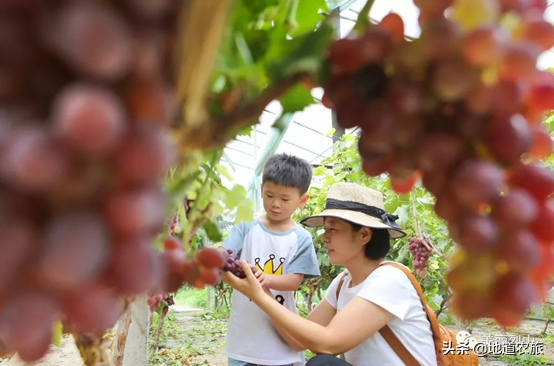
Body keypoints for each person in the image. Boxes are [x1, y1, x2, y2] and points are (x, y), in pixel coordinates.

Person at [222, 182, 438, 366]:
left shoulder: (390, 279)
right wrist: (262, 290)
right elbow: (298, 342)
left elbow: (328, 343)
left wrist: (259, 295)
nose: (324, 238)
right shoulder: (343, 282)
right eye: (325, 230)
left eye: (332, 229)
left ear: (364, 234)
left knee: (322, 364)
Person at [219, 153, 321, 366]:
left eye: (285, 199)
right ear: (261, 189)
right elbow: (225, 253)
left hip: (281, 342)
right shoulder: (246, 225)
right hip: (243, 340)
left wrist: (266, 280)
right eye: (269, 195)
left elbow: (294, 280)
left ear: (302, 200)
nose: (275, 204)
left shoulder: (301, 238)